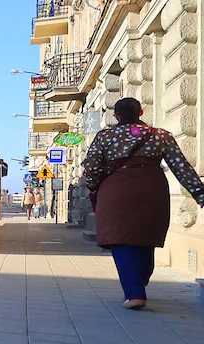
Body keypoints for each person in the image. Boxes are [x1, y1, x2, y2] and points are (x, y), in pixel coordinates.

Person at [81, 97, 204, 309]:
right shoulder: (161, 135)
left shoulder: (105, 137)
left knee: (120, 238)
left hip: (115, 191)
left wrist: (94, 188)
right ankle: (140, 281)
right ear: (142, 112)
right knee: (145, 237)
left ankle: (135, 291)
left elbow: (91, 168)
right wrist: (199, 193)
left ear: (116, 116)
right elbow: (181, 167)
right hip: (152, 189)